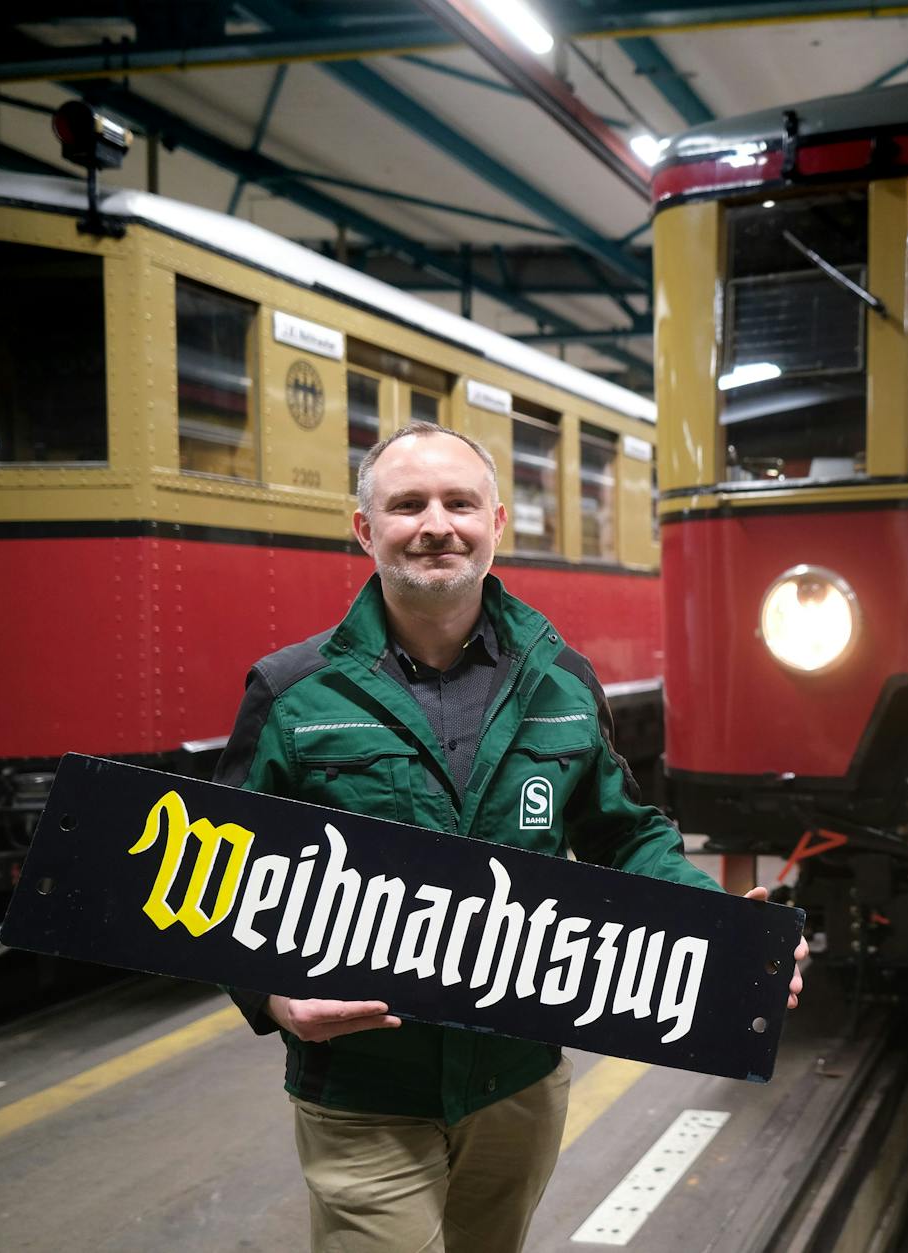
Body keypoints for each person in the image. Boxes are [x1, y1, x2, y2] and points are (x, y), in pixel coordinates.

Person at [214, 421, 806, 1252]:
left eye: (459, 502)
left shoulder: (561, 679)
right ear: (365, 529)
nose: (435, 524)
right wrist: (273, 995)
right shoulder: (293, 692)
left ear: (495, 522)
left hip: (519, 1079)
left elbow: (623, 833)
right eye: (407, 504)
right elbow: (218, 876)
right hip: (363, 1086)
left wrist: (723, 929)